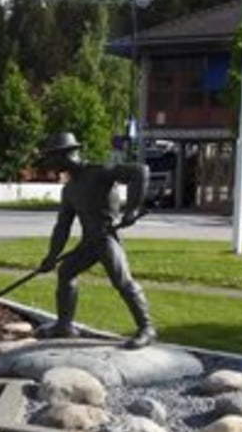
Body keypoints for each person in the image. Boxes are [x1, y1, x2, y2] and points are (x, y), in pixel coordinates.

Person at [35, 131, 156, 349]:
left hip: (106, 237)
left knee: (123, 282)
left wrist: (130, 210)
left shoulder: (99, 172)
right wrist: (51, 257)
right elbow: (62, 227)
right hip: (89, 242)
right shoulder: (70, 190)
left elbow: (140, 171)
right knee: (65, 272)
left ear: (64, 155)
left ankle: (146, 328)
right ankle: (64, 326)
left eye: (51, 158)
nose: (50, 163)